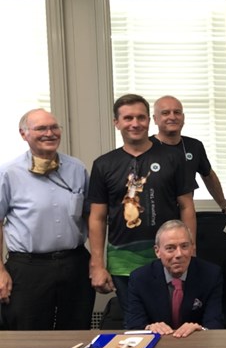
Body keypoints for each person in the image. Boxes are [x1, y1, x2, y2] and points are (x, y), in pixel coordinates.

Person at [88, 94, 196, 318]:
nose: (135, 123)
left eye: (140, 117)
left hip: (169, 256)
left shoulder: (173, 159)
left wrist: (190, 251)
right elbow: (97, 218)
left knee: (174, 319)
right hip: (123, 261)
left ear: (150, 120)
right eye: (128, 118)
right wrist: (97, 264)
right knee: (136, 324)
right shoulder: (103, 165)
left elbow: (186, 207)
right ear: (116, 122)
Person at [0, 109, 94, 330]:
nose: (49, 133)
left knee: (76, 333)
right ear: (23, 134)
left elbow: (92, 215)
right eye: (41, 128)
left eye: (54, 127)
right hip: (28, 267)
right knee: (29, 335)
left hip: (74, 263)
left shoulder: (77, 169)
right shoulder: (8, 173)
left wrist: (97, 261)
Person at [125, 220, 223, 337]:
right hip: (156, 346)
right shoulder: (140, 279)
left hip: (196, 345)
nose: (179, 254)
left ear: (192, 247)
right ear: (157, 251)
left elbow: (215, 324)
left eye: (184, 246)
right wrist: (149, 328)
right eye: (170, 248)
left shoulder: (211, 275)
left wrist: (201, 329)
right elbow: (133, 324)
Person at [151, 95, 226, 217]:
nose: (172, 117)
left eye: (177, 112)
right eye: (165, 113)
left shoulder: (194, 146)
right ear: (155, 119)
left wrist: (225, 206)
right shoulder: (146, 147)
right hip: (154, 217)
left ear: (183, 118)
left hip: (185, 216)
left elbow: (209, 176)